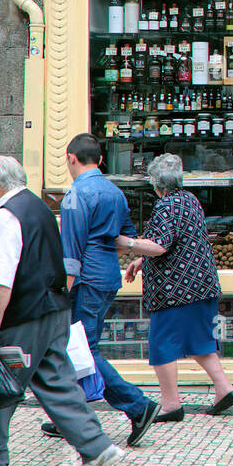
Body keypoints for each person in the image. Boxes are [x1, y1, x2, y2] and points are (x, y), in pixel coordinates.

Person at [0, 155, 124, 466]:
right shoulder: (38, 206)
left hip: (23, 318)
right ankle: (97, 448)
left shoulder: (4, 218)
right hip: (54, 311)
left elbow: (0, 282)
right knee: (58, 383)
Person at [45, 134, 160, 446]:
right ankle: (70, 416)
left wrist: (61, 294)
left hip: (87, 282)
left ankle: (139, 407)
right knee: (81, 347)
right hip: (108, 276)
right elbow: (127, 238)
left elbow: (71, 253)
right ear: (99, 159)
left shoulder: (75, 195)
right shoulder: (114, 192)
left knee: (84, 349)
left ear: (71, 158)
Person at [120, 154, 233, 420]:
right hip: (202, 284)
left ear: (155, 181)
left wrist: (127, 244)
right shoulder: (190, 199)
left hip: (175, 290)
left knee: (162, 344)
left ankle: (171, 404)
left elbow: (161, 245)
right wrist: (142, 259)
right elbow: (182, 240)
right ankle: (224, 389)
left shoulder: (165, 205)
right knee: (200, 341)